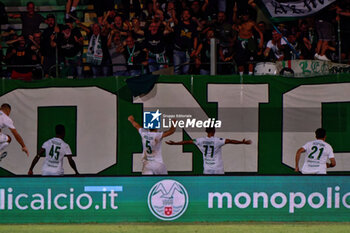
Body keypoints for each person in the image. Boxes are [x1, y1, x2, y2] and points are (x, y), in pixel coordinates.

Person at [166, 127, 252, 174]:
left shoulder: (200, 140)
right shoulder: (218, 140)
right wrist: (242, 142)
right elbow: (230, 141)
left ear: (206, 131)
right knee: (219, 186)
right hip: (218, 168)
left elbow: (187, 142)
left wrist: (175, 143)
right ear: (214, 131)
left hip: (207, 168)